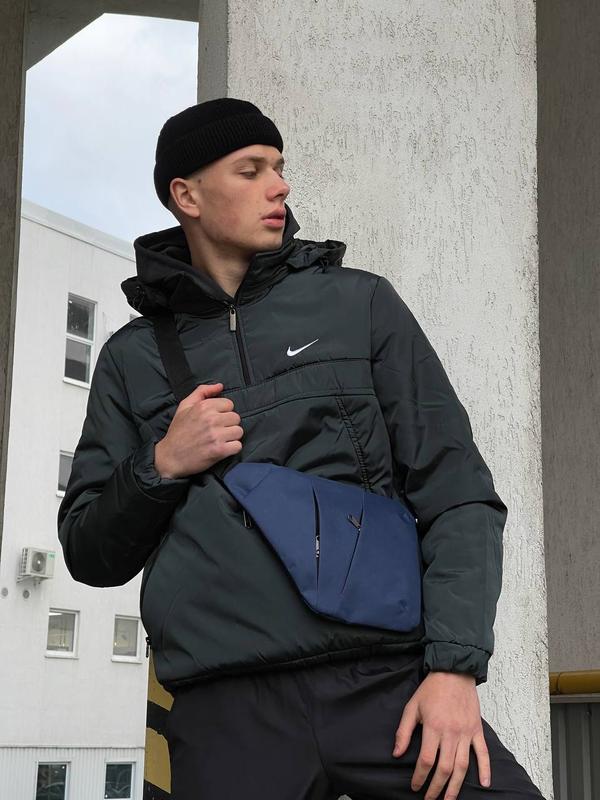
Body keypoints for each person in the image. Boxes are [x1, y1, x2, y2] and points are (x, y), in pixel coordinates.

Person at [58, 98, 545, 800]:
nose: (279, 186)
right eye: (251, 170)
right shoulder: (130, 359)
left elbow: (458, 492)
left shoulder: (359, 305)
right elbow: (88, 551)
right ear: (186, 196)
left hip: (386, 686)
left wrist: (454, 669)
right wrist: (160, 466)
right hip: (225, 712)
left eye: (279, 167)